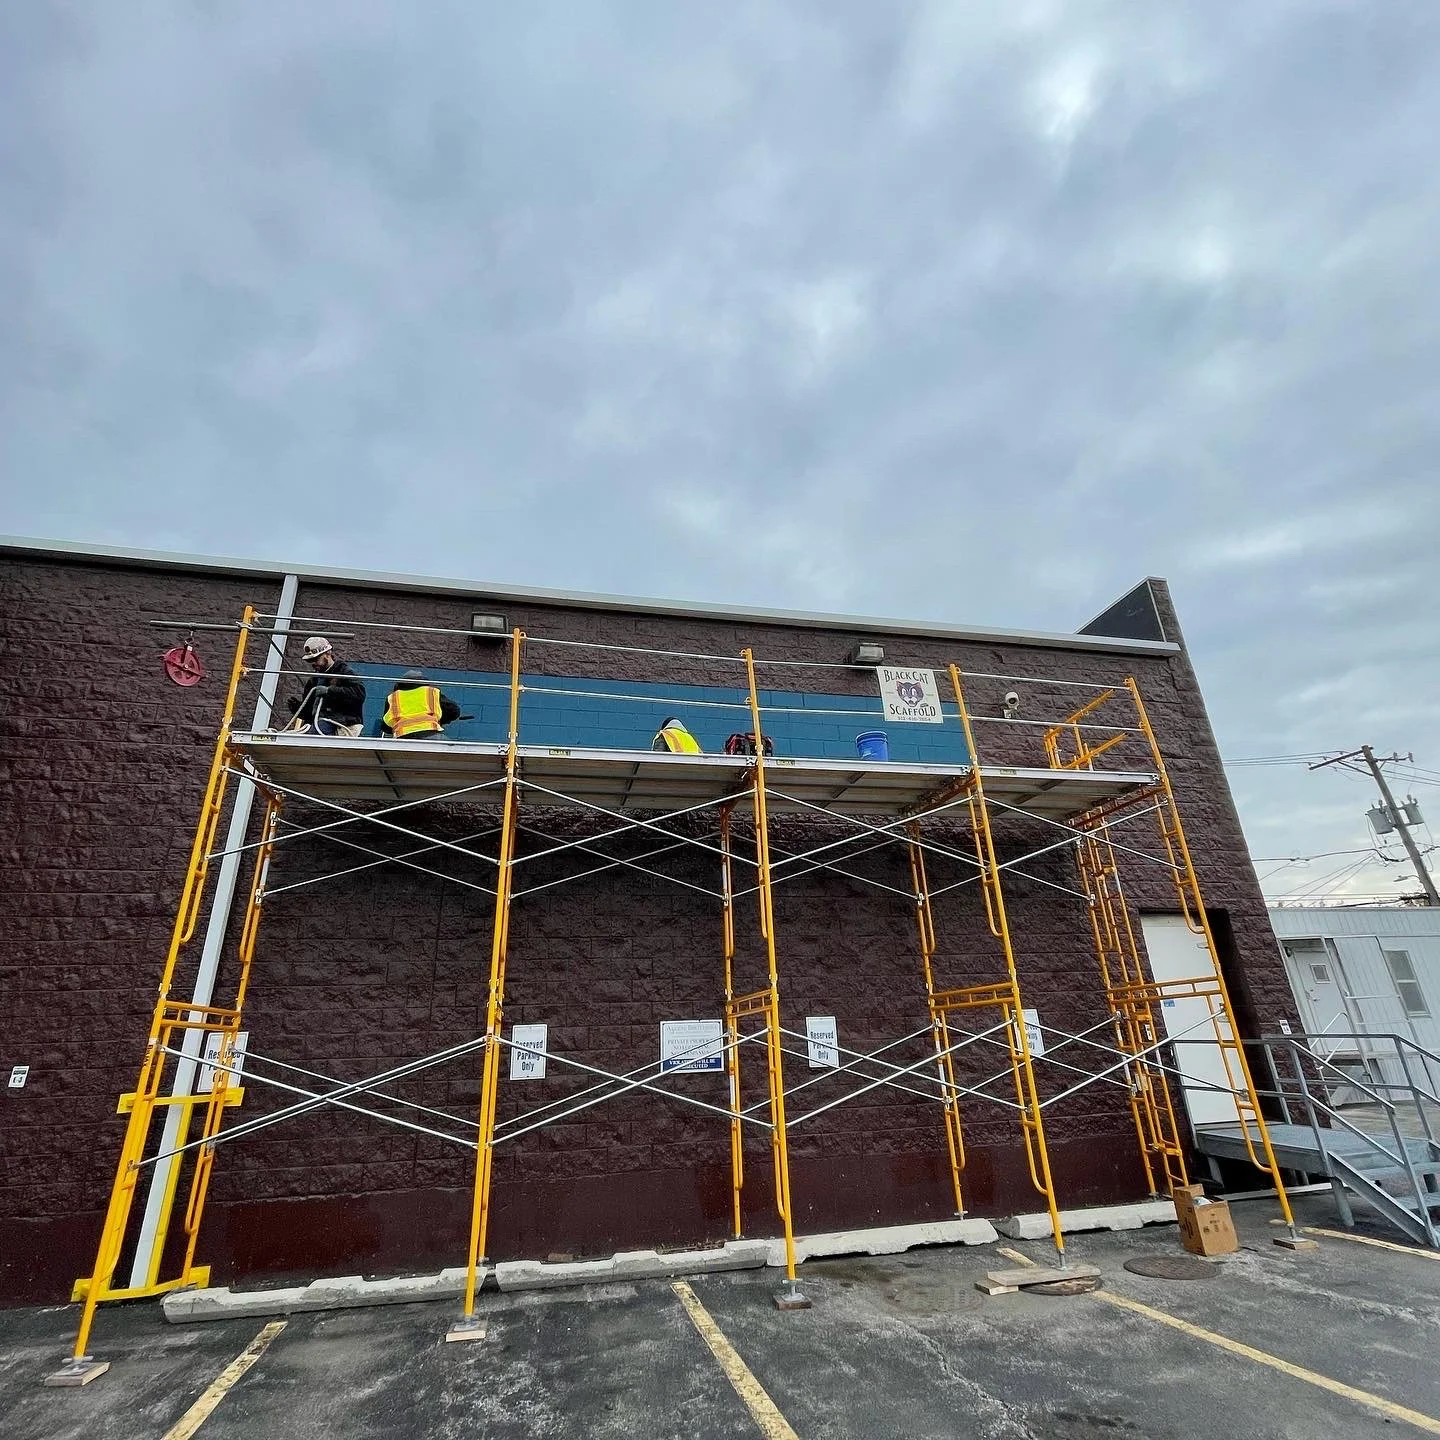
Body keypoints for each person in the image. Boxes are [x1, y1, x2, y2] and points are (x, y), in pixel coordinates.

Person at [284, 637, 367, 736]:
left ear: (328, 654)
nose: (313, 663)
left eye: (316, 659)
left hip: (342, 723)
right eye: (311, 660)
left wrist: (330, 691)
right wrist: (298, 709)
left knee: (316, 733)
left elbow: (359, 694)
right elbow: (310, 714)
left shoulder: (344, 672)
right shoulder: (313, 681)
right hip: (320, 724)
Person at [380, 670, 462, 740]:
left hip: (403, 738)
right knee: (452, 749)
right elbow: (454, 711)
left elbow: (386, 727)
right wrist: (441, 719)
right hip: (430, 735)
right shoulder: (431, 692)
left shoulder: (393, 697)